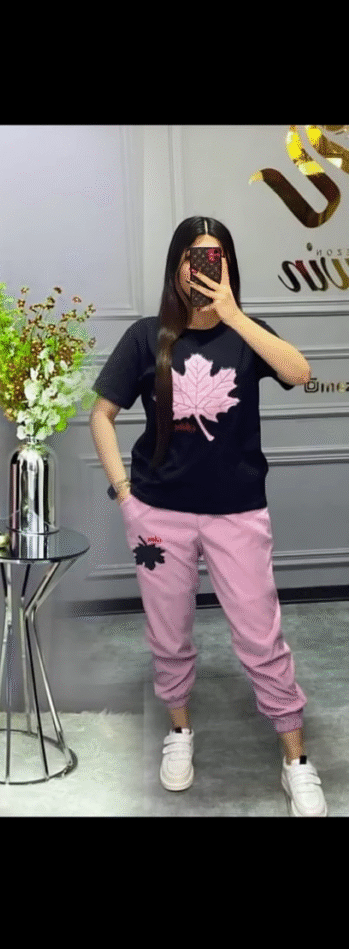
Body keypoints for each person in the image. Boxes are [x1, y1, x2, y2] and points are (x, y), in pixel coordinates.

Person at [89, 216, 328, 816]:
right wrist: (125, 493)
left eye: (215, 257)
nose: (204, 268)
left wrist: (234, 315)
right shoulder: (146, 337)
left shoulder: (248, 333)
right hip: (158, 516)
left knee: (261, 638)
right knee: (168, 633)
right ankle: (179, 731)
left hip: (237, 513)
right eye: (194, 258)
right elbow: (101, 414)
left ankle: (296, 760)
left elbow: (301, 373)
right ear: (176, 267)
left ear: (228, 266)